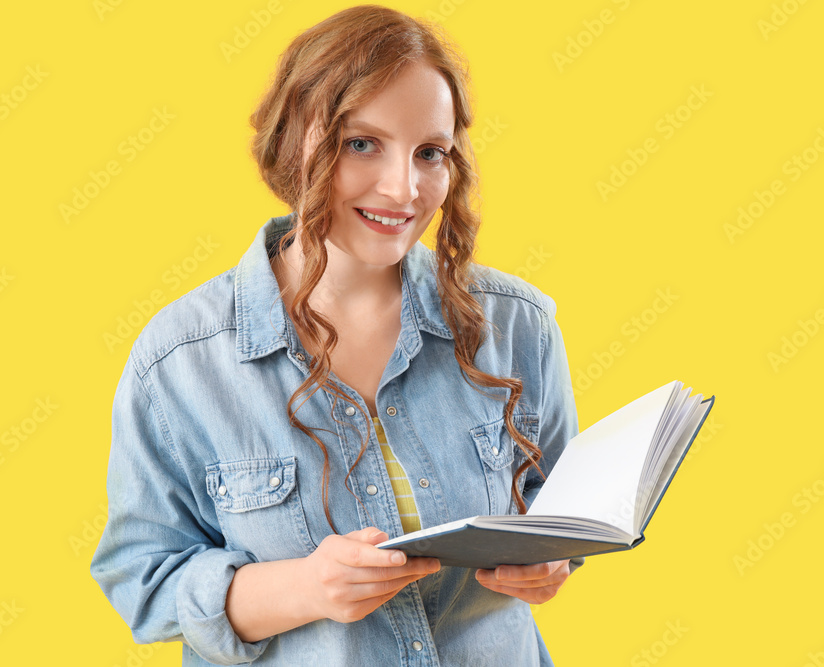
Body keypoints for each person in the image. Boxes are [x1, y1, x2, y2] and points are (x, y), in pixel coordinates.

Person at [90, 5, 582, 665]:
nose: (404, 188)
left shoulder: (516, 322)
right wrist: (307, 587)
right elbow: (143, 581)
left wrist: (554, 560)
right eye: (361, 143)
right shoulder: (180, 362)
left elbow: (564, 508)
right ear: (295, 144)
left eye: (429, 153)